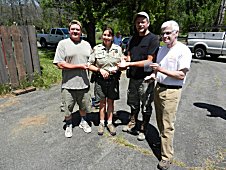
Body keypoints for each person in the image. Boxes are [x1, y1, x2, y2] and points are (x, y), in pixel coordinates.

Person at [149, 20, 192, 170]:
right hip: (159, 89)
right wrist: (153, 76)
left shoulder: (183, 50)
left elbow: (181, 74)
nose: (165, 36)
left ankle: (166, 157)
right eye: (163, 33)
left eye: (168, 32)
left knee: (167, 125)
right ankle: (163, 145)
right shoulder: (162, 49)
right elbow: (158, 70)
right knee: (160, 120)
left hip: (172, 91)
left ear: (176, 33)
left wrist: (160, 70)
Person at [118, 12, 159, 141]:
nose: (140, 24)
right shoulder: (132, 39)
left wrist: (130, 63)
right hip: (133, 78)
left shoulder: (153, 39)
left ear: (148, 23)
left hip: (146, 79)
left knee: (146, 105)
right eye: (138, 22)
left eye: (143, 22)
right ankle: (132, 122)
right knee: (133, 103)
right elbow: (128, 54)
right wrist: (124, 61)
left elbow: (149, 61)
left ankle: (143, 128)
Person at [53, 20, 92, 138]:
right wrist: (78, 66)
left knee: (83, 106)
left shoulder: (87, 45)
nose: (75, 31)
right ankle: (69, 124)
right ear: (69, 30)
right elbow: (59, 64)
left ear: (81, 31)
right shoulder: (63, 44)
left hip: (84, 83)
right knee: (67, 108)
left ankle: (83, 121)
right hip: (68, 84)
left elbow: (92, 61)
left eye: (78, 29)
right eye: (73, 29)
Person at [89, 27, 123, 136]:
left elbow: (123, 63)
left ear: (112, 37)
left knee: (111, 102)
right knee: (102, 102)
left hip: (113, 80)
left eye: (109, 35)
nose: (106, 37)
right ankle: (101, 123)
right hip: (100, 80)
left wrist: (118, 68)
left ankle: (110, 123)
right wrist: (100, 70)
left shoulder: (118, 49)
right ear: (102, 36)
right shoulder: (96, 49)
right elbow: (89, 65)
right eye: (104, 35)